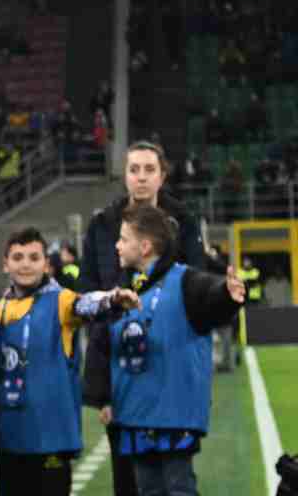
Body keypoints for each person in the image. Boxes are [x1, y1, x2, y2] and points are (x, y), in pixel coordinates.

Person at [78, 140, 204, 496]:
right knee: (126, 478)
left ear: (163, 176)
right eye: (134, 169)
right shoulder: (102, 225)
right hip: (118, 364)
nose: (142, 177)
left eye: (150, 169)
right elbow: (87, 295)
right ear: (125, 176)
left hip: (170, 366)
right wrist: (102, 391)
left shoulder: (184, 222)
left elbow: (197, 289)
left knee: (174, 478)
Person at [105, 204, 244, 496]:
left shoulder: (185, 280)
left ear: (144, 247)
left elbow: (210, 298)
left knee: (178, 487)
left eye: (123, 239)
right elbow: (106, 344)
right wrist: (101, 396)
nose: (117, 245)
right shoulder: (124, 289)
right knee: (148, 489)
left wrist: (226, 296)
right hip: (136, 412)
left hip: (173, 414)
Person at [0, 228, 139, 496]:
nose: (25, 264)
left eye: (34, 257)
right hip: (9, 437)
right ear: (5, 264)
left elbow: (87, 303)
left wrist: (114, 298)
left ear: (46, 264)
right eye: (18, 257)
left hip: (51, 438)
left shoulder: (60, 300)